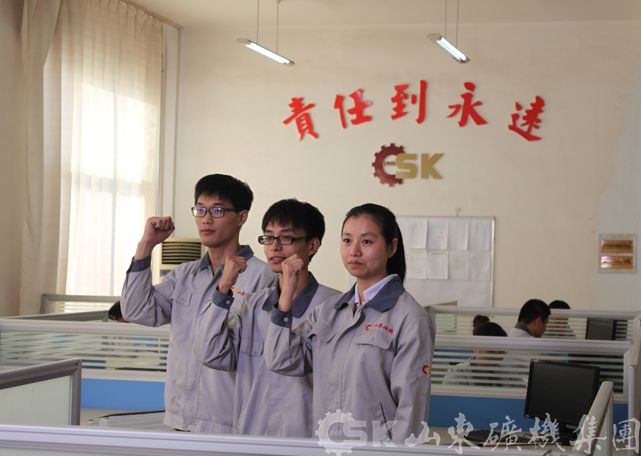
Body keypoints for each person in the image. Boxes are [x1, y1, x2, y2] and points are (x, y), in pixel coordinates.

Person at [264, 203, 435, 443]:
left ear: (391, 247)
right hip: (325, 446)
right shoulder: (329, 312)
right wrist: (286, 298)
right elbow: (281, 360)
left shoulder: (409, 317)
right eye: (347, 241)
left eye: (366, 242)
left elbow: (411, 407)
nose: (354, 251)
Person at [120, 174, 275, 433]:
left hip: (231, 424)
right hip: (180, 419)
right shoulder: (184, 275)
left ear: (242, 217)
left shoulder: (262, 277)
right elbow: (137, 311)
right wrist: (146, 245)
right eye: (200, 209)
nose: (206, 218)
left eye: (218, 210)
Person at [194, 199, 340, 437]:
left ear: (312, 245)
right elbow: (210, 354)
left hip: (306, 442)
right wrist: (223, 288)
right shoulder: (252, 306)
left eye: (286, 238)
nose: (274, 247)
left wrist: (287, 295)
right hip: (253, 438)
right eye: (269, 238)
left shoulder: (333, 307)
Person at [444, 321, 523, 387]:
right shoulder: (459, 373)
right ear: (476, 348)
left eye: (501, 352)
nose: (496, 357)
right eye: (491, 351)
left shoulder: (505, 374)